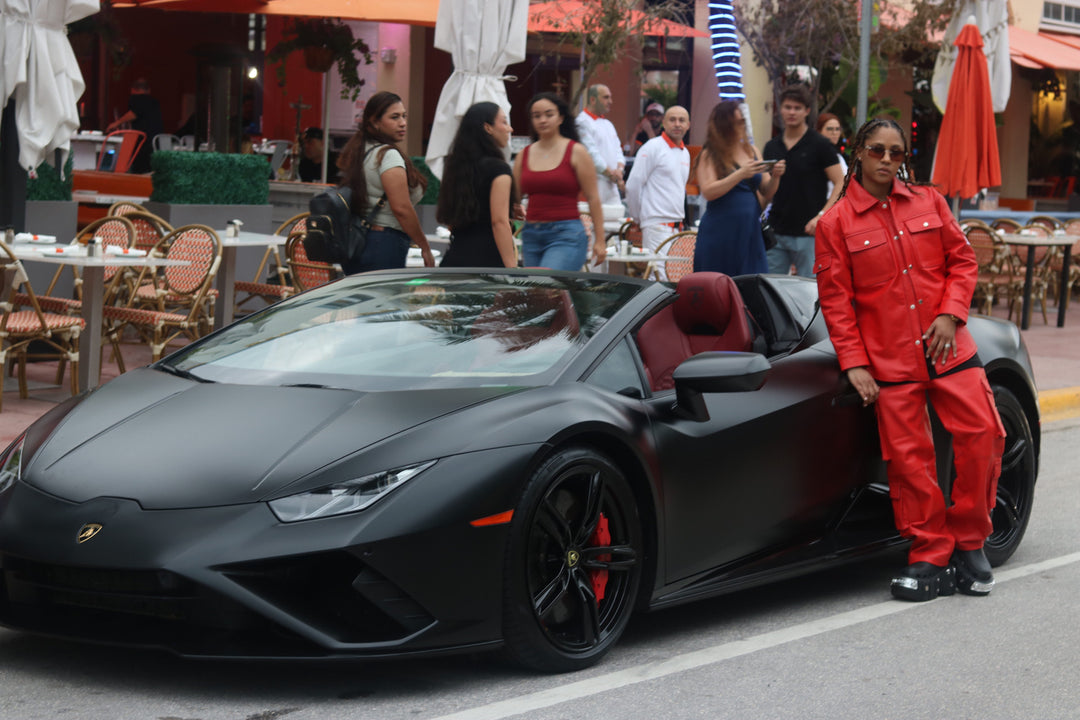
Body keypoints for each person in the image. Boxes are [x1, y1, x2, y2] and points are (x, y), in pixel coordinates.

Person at [814, 117, 1006, 602]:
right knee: (909, 460)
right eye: (877, 150)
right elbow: (836, 301)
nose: (886, 160)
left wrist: (951, 314)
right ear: (858, 151)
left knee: (984, 435)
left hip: (950, 349)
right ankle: (929, 552)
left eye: (896, 153)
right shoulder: (835, 224)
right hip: (889, 361)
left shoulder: (930, 202)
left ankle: (969, 541)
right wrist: (854, 362)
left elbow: (962, 261)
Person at [335, 91, 435, 273]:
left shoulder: (360, 151)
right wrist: (424, 245)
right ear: (374, 121)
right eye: (394, 117)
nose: (403, 123)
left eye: (404, 116)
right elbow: (402, 208)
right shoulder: (388, 156)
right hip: (384, 242)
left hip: (357, 240)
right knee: (384, 300)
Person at [513, 92, 605, 271]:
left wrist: (600, 241)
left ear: (560, 117)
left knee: (547, 285)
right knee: (538, 293)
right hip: (531, 233)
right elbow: (513, 198)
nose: (543, 120)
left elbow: (593, 197)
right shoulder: (523, 155)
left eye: (549, 114)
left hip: (567, 234)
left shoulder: (576, 151)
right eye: (536, 116)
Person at [692, 101, 783, 277]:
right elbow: (708, 191)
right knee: (718, 285)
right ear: (724, 125)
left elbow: (766, 191)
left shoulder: (752, 151)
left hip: (749, 231)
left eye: (742, 121)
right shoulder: (710, 153)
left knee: (752, 283)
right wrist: (740, 174)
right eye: (736, 122)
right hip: (720, 231)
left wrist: (776, 176)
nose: (741, 126)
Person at [762, 85, 844, 277]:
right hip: (776, 231)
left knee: (809, 295)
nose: (792, 112)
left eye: (797, 108)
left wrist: (822, 216)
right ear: (780, 109)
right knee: (772, 291)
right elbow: (765, 191)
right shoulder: (771, 146)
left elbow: (841, 183)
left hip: (809, 233)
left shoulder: (820, 144)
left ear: (807, 111)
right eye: (788, 107)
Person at [437, 102, 518, 268]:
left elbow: (455, 218)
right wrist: (513, 270)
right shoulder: (499, 169)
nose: (510, 129)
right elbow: (499, 222)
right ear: (488, 128)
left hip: (455, 259)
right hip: (487, 260)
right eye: (504, 122)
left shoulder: (455, 166)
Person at [624, 106, 691, 280]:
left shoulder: (686, 153)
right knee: (659, 282)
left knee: (674, 282)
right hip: (656, 225)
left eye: (682, 120)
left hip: (678, 228)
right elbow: (633, 185)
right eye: (672, 119)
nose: (677, 124)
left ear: (688, 125)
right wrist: (638, 218)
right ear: (664, 123)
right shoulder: (652, 147)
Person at [575, 84, 624, 206]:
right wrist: (610, 173)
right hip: (593, 182)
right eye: (606, 97)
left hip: (612, 184)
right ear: (593, 99)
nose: (610, 101)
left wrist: (620, 170)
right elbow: (591, 154)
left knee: (616, 220)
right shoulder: (582, 122)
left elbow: (618, 150)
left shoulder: (608, 124)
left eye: (610, 97)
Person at [106, 78, 163, 173]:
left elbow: (133, 114)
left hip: (142, 143)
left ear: (132, 90)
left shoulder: (136, 99)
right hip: (156, 142)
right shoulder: (155, 102)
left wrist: (116, 123)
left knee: (138, 169)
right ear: (148, 90)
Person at [815, 112, 848, 200]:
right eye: (830, 129)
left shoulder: (839, 156)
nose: (834, 133)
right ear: (819, 131)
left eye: (837, 129)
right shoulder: (814, 154)